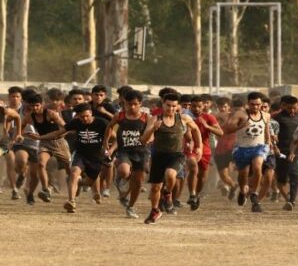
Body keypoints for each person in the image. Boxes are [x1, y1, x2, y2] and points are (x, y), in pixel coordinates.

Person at [33, 104, 109, 213]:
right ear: (77, 116)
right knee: (74, 172)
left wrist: (109, 148)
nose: (85, 119)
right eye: (82, 117)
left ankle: (80, 183)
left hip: (96, 156)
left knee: (88, 182)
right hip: (80, 153)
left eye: (87, 116)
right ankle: (71, 201)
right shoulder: (76, 123)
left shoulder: (102, 123)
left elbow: (114, 136)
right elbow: (58, 133)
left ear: (91, 113)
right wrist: (40, 137)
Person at [140, 93, 202, 224]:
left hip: (176, 155)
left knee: (170, 174)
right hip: (159, 155)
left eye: (174, 106)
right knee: (155, 188)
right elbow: (144, 140)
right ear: (163, 104)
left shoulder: (183, 118)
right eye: (168, 105)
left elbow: (196, 130)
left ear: (178, 106)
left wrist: (199, 146)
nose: (171, 109)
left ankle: (167, 192)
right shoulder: (154, 119)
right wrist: (153, 129)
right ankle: (155, 210)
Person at [223, 92, 272, 213]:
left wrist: (269, 142)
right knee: (243, 174)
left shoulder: (266, 115)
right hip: (242, 148)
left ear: (261, 104)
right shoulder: (240, 114)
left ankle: (254, 194)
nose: (255, 107)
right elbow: (227, 129)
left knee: (257, 166)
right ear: (247, 104)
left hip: (259, 147)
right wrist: (240, 126)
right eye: (252, 104)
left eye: (258, 104)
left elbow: (266, 130)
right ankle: (242, 190)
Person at [104, 89, 148, 218]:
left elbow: (151, 132)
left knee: (138, 182)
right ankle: (120, 180)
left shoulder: (146, 117)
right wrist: (106, 141)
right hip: (125, 151)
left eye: (135, 104)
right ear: (124, 103)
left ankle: (131, 206)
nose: (132, 107)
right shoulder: (120, 116)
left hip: (141, 152)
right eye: (129, 104)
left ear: (140, 103)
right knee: (123, 171)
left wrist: (149, 139)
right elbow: (109, 126)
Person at [185, 95, 223, 211]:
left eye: (199, 106)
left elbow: (220, 133)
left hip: (205, 149)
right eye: (194, 106)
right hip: (190, 148)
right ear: (190, 106)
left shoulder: (208, 117)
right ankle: (192, 194)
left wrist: (207, 126)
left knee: (202, 177)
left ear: (203, 106)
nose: (196, 109)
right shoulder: (185, 117)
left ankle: (196, 196)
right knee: (193, 167)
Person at [273, 95, 298, 210]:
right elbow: (272, 135)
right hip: (281, 151)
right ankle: (288, 199)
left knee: (295, 173)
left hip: (296, 150)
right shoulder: (277, 118)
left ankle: (292, 200)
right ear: (284, 106)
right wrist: (275, 148)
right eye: (290, 108)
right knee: (281, 178)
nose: (292, 110)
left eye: (295, 108)